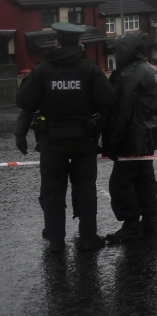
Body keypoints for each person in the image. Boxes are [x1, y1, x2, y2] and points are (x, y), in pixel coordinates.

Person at [15, 22, 115, 253]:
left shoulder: (42, 70)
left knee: (52, 191)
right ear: (79, 43)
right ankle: (88, 238)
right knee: (86, 190)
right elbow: (109, 98)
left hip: (52, 142)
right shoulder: (89, 69)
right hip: (84, 140)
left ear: (57, 42)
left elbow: (23, 101)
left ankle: (57, 242)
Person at [102, 32, 157, 244]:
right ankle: (150, 221)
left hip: (131, 139)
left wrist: (110, 142)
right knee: (146, 180)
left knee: (121, 183)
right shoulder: (153, 71)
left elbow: (123, 112)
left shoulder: (130, 74)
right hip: (148, 137)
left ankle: (131, 226)